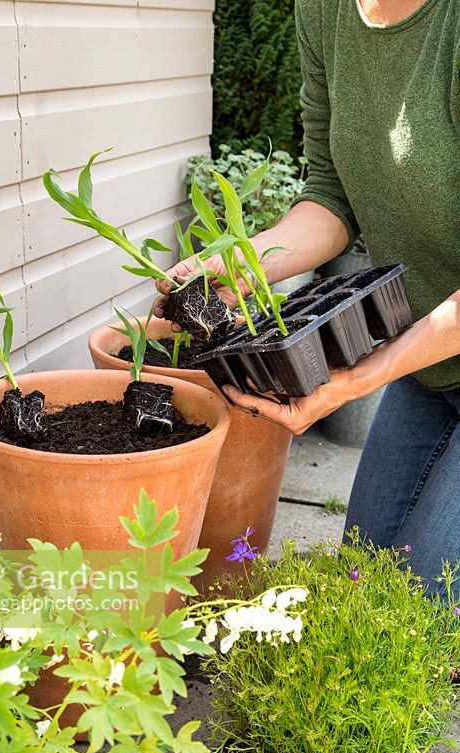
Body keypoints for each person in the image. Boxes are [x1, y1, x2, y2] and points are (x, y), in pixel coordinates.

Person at [154, 0, 460, 596]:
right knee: (366, 588)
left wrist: (354, 380)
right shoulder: (325, 12)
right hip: (432, 366)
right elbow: (330, 197)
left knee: (426, 606)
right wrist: (244, 263)